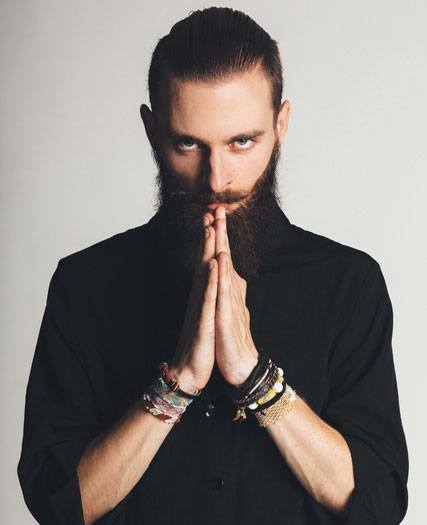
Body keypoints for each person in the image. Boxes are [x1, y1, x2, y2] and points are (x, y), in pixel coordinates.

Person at [17, 6, 409, 525]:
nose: (216, 178)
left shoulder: (349, 285)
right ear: (152, 131)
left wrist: (254, 376)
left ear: (281, 125)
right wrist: (178, 380)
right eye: (188, 143)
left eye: (242, 141)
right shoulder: (84, 286)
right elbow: (61, 505)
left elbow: (378, 505)